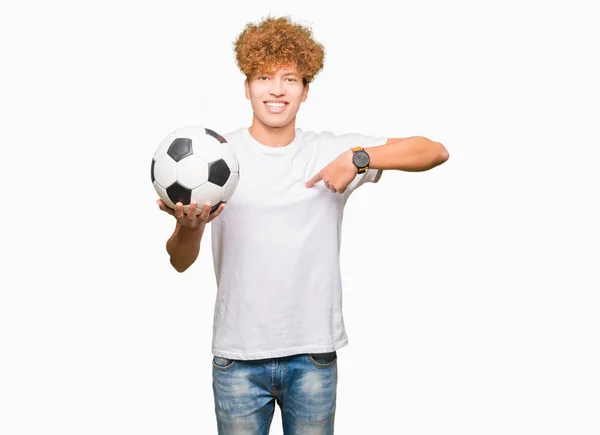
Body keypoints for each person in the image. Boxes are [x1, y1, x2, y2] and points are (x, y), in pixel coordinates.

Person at [157, 15, 449, 435]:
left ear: (305, 90)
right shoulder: (216, 159)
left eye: (289, 79)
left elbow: (433, 151)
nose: (276, 90)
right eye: (263, 77)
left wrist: (357, 158)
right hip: (238, 358)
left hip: (312, 357)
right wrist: (189, 227)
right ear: (247, 87)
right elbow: (180, 263)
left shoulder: (328, 151)